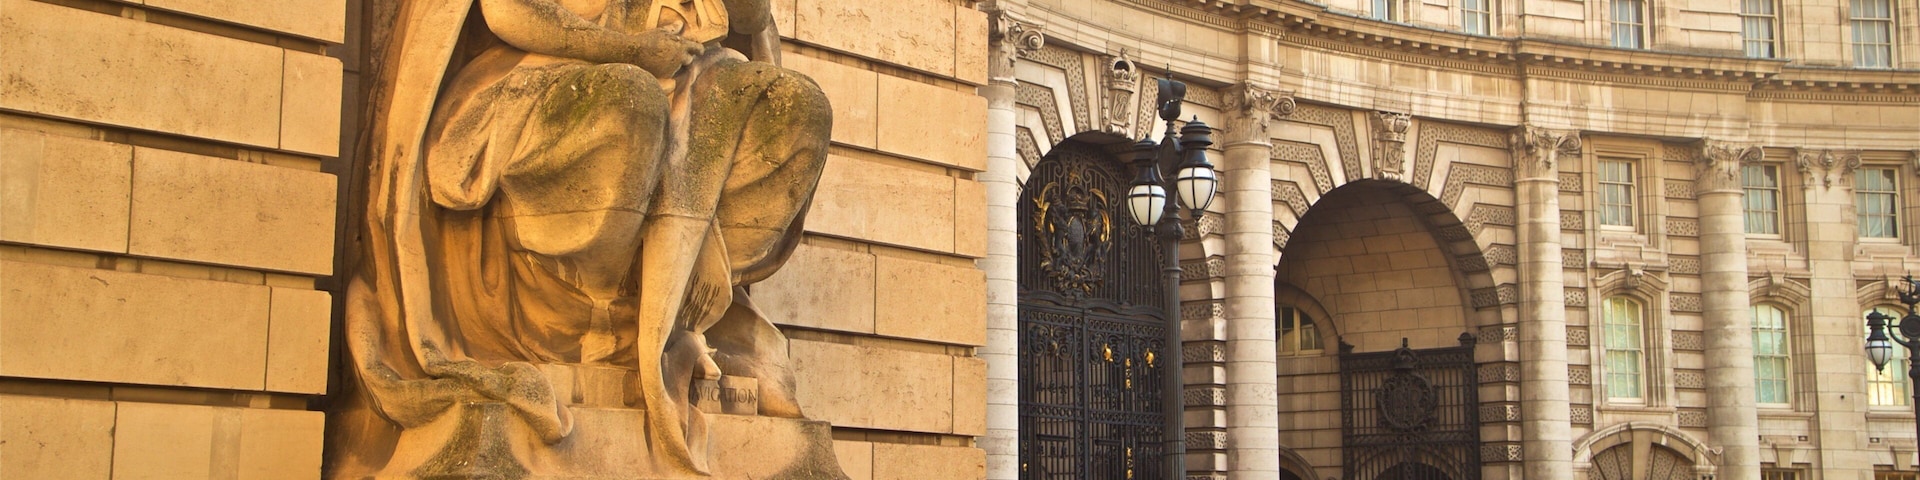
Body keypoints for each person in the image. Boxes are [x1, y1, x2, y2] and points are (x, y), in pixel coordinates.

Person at [329, 0, 831, 476]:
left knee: (799, 108)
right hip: (543, 72)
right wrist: (628, 49)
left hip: (695, 74)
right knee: (630, 104)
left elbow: (751, 19)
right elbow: (508, 12)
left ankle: (670, 311)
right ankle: (608, 319)